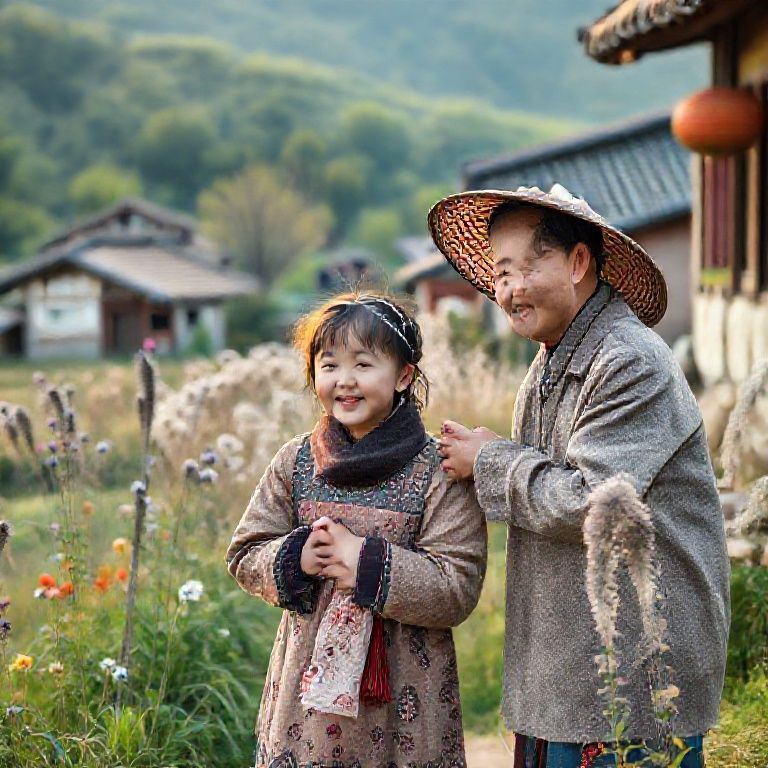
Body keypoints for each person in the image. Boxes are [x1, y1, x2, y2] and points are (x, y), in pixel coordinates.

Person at [431, 184, 730, 767]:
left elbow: (594, 502)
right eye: (500, 272)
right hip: (571, 667)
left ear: (576, 262)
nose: (510, 291)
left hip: (638, 672)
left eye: (524, 268)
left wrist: (489, 461)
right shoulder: (552, 360)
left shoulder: (627, 360)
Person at [226, 291, 487, 768]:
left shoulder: (439, 469)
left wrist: (364, 562)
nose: (344, 382)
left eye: (363, 365)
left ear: (403, 374)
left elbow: (457, 586)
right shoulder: (296, 461)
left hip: (406, 701)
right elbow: (244, 554)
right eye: (328, 366)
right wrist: (296, 558)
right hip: (304, 707)